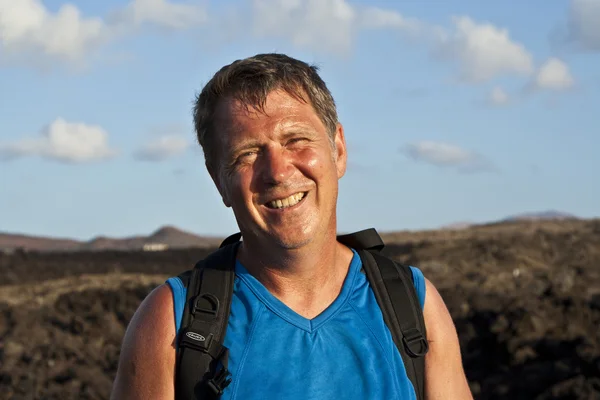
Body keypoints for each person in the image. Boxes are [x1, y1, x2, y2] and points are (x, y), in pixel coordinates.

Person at [110, 53, 473, 400]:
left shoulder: (415, 306)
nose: (278, 172)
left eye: (296, 141)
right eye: (246, 154)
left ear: (339, 149)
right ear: (218, 180)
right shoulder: (169, 323)